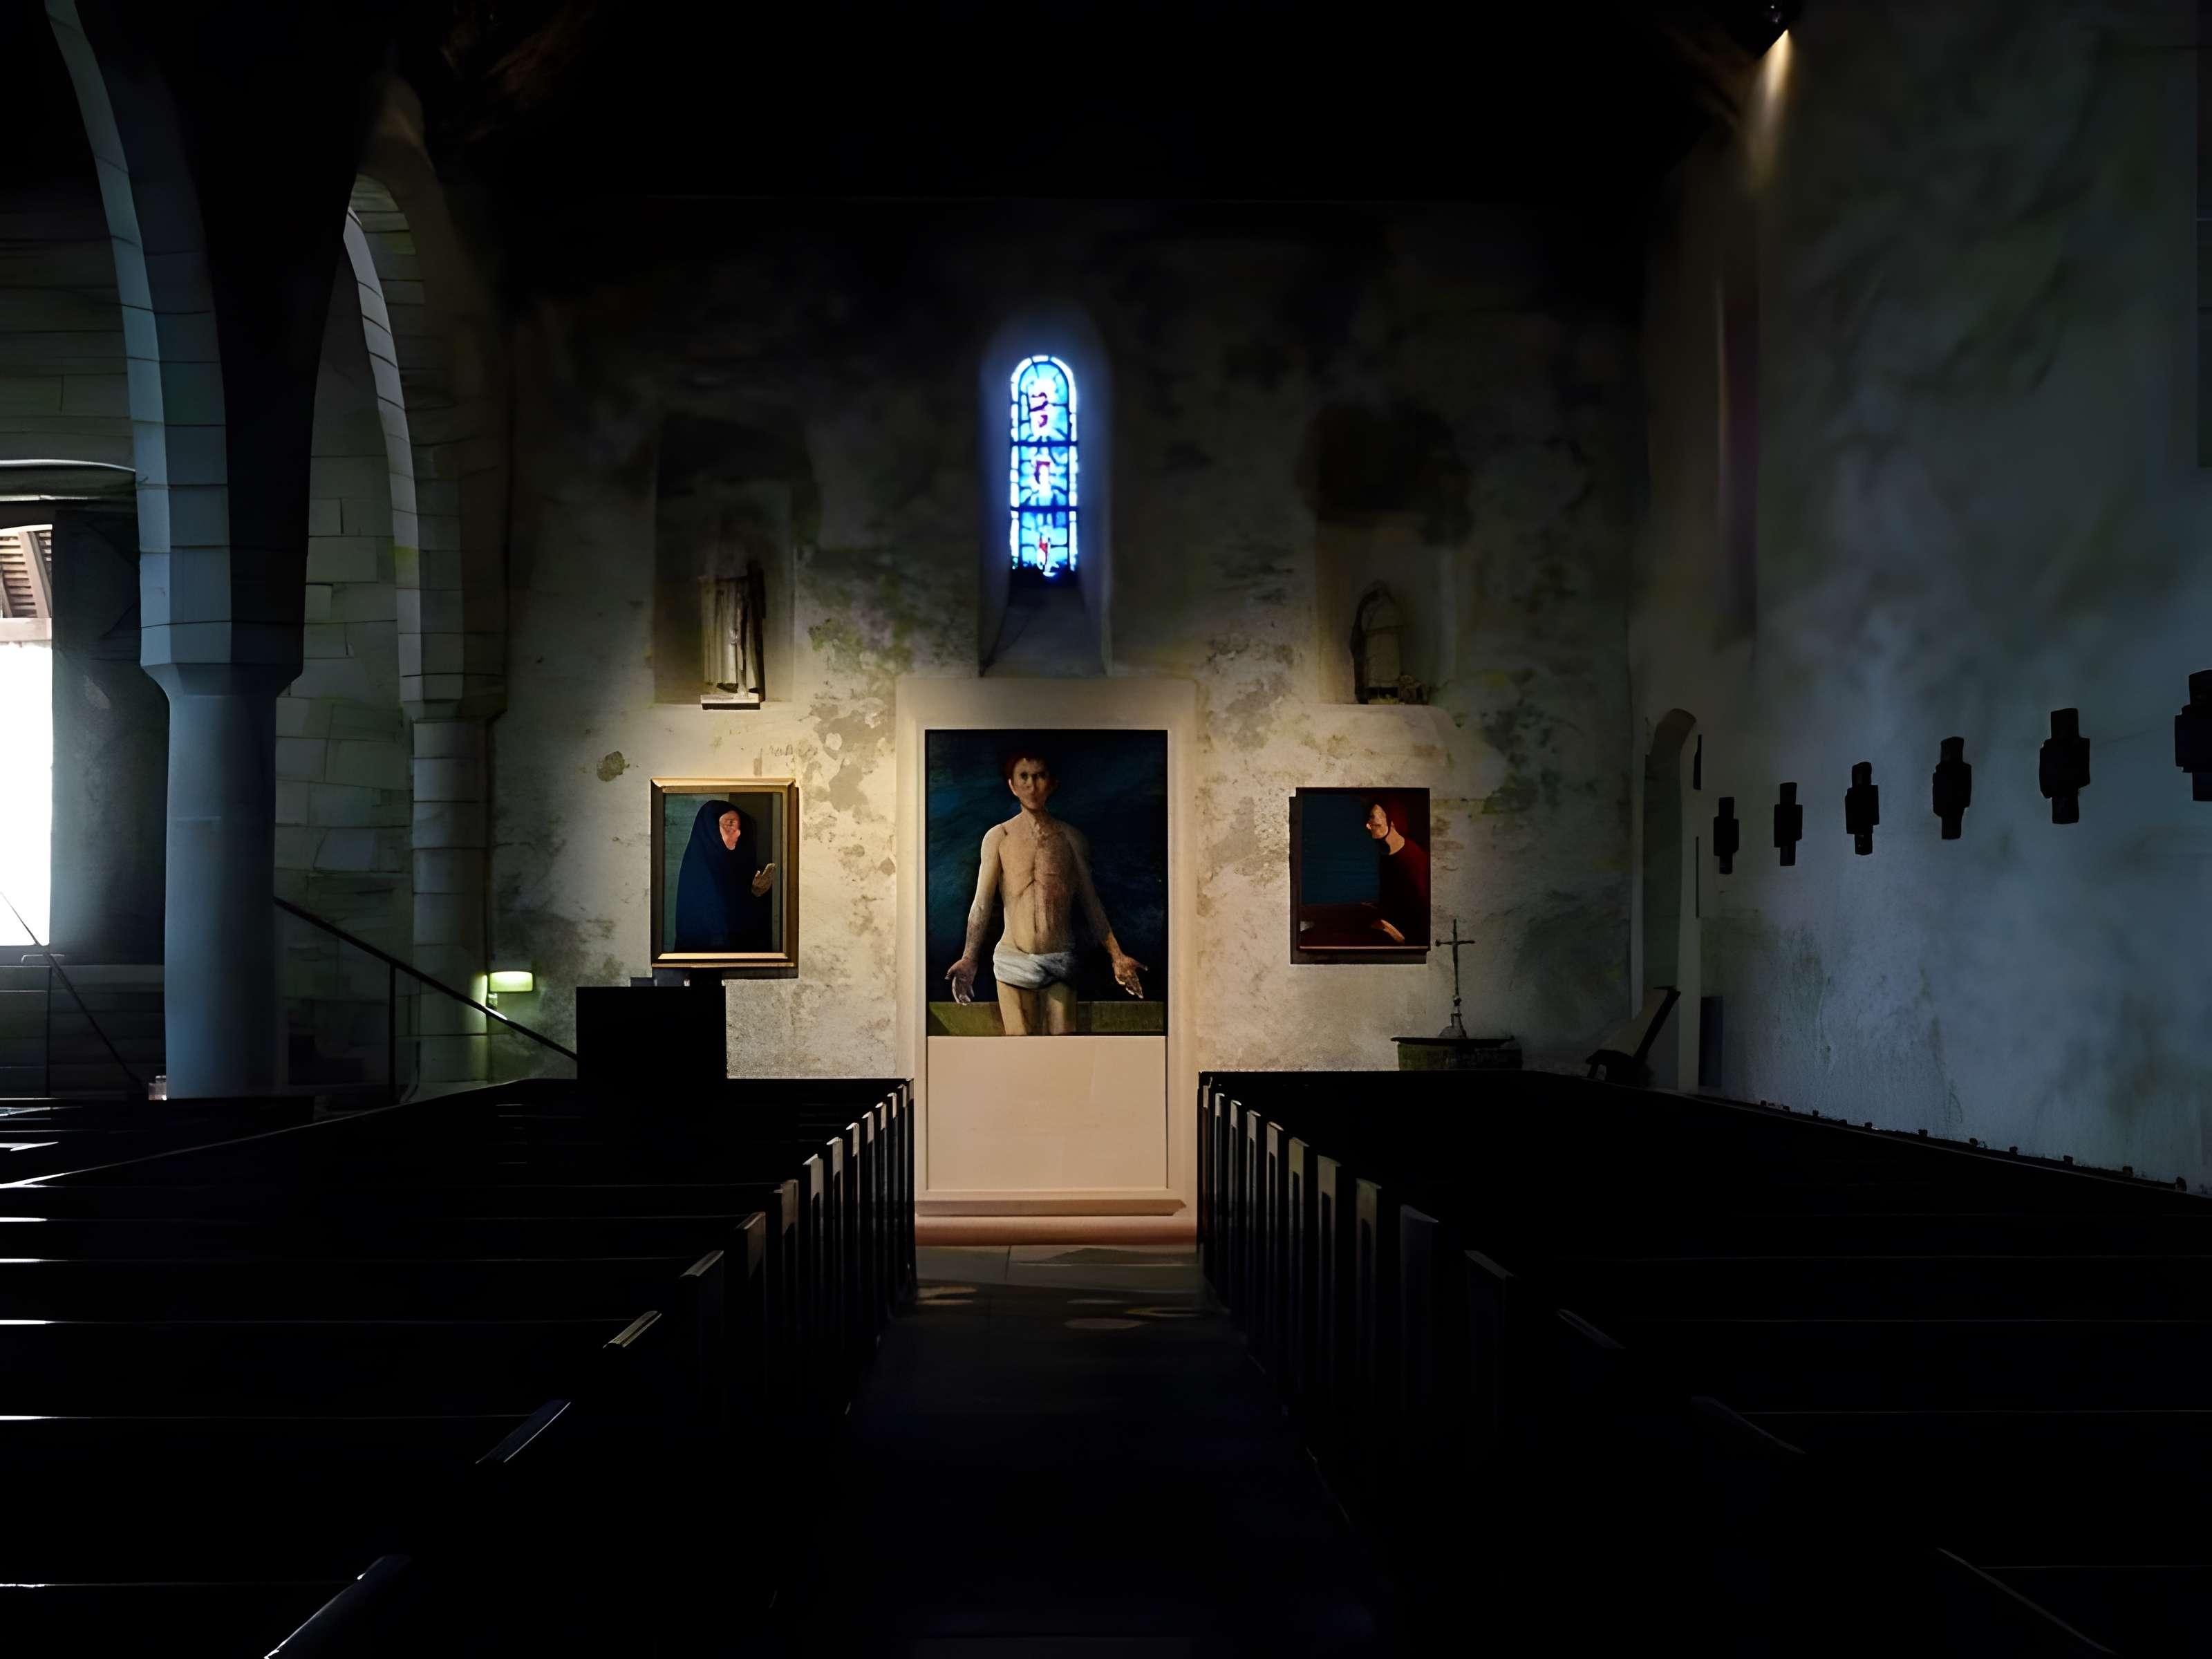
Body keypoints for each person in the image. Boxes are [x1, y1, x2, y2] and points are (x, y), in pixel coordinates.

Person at [946, 749, 1147, 1035]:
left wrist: (1117, 956)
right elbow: (981, 904)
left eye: (1039, 776)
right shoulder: (999, 837)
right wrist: (969, 958)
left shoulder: (1071, 839)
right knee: (1019, 1047)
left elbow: (1091, 903)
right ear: (1012, 786)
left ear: (1052, 783)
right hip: (1012, 958)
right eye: (1024, 777)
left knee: (1062, 1047)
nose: (1032, 785)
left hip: (1060, 959)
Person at [671, 798, 775, 953]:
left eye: (739, 826)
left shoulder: (736, 866)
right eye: (730, 824)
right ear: (710, 828)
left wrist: (756, 894)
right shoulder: (699, 871)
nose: (738, 832)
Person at [1365, 795, 1430, 946]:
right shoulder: (1387, 857)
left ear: (1393, 822)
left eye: (1373, 818)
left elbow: (1422, 912)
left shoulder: (1411, 858)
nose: (1368, 825)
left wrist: (1393, 932)